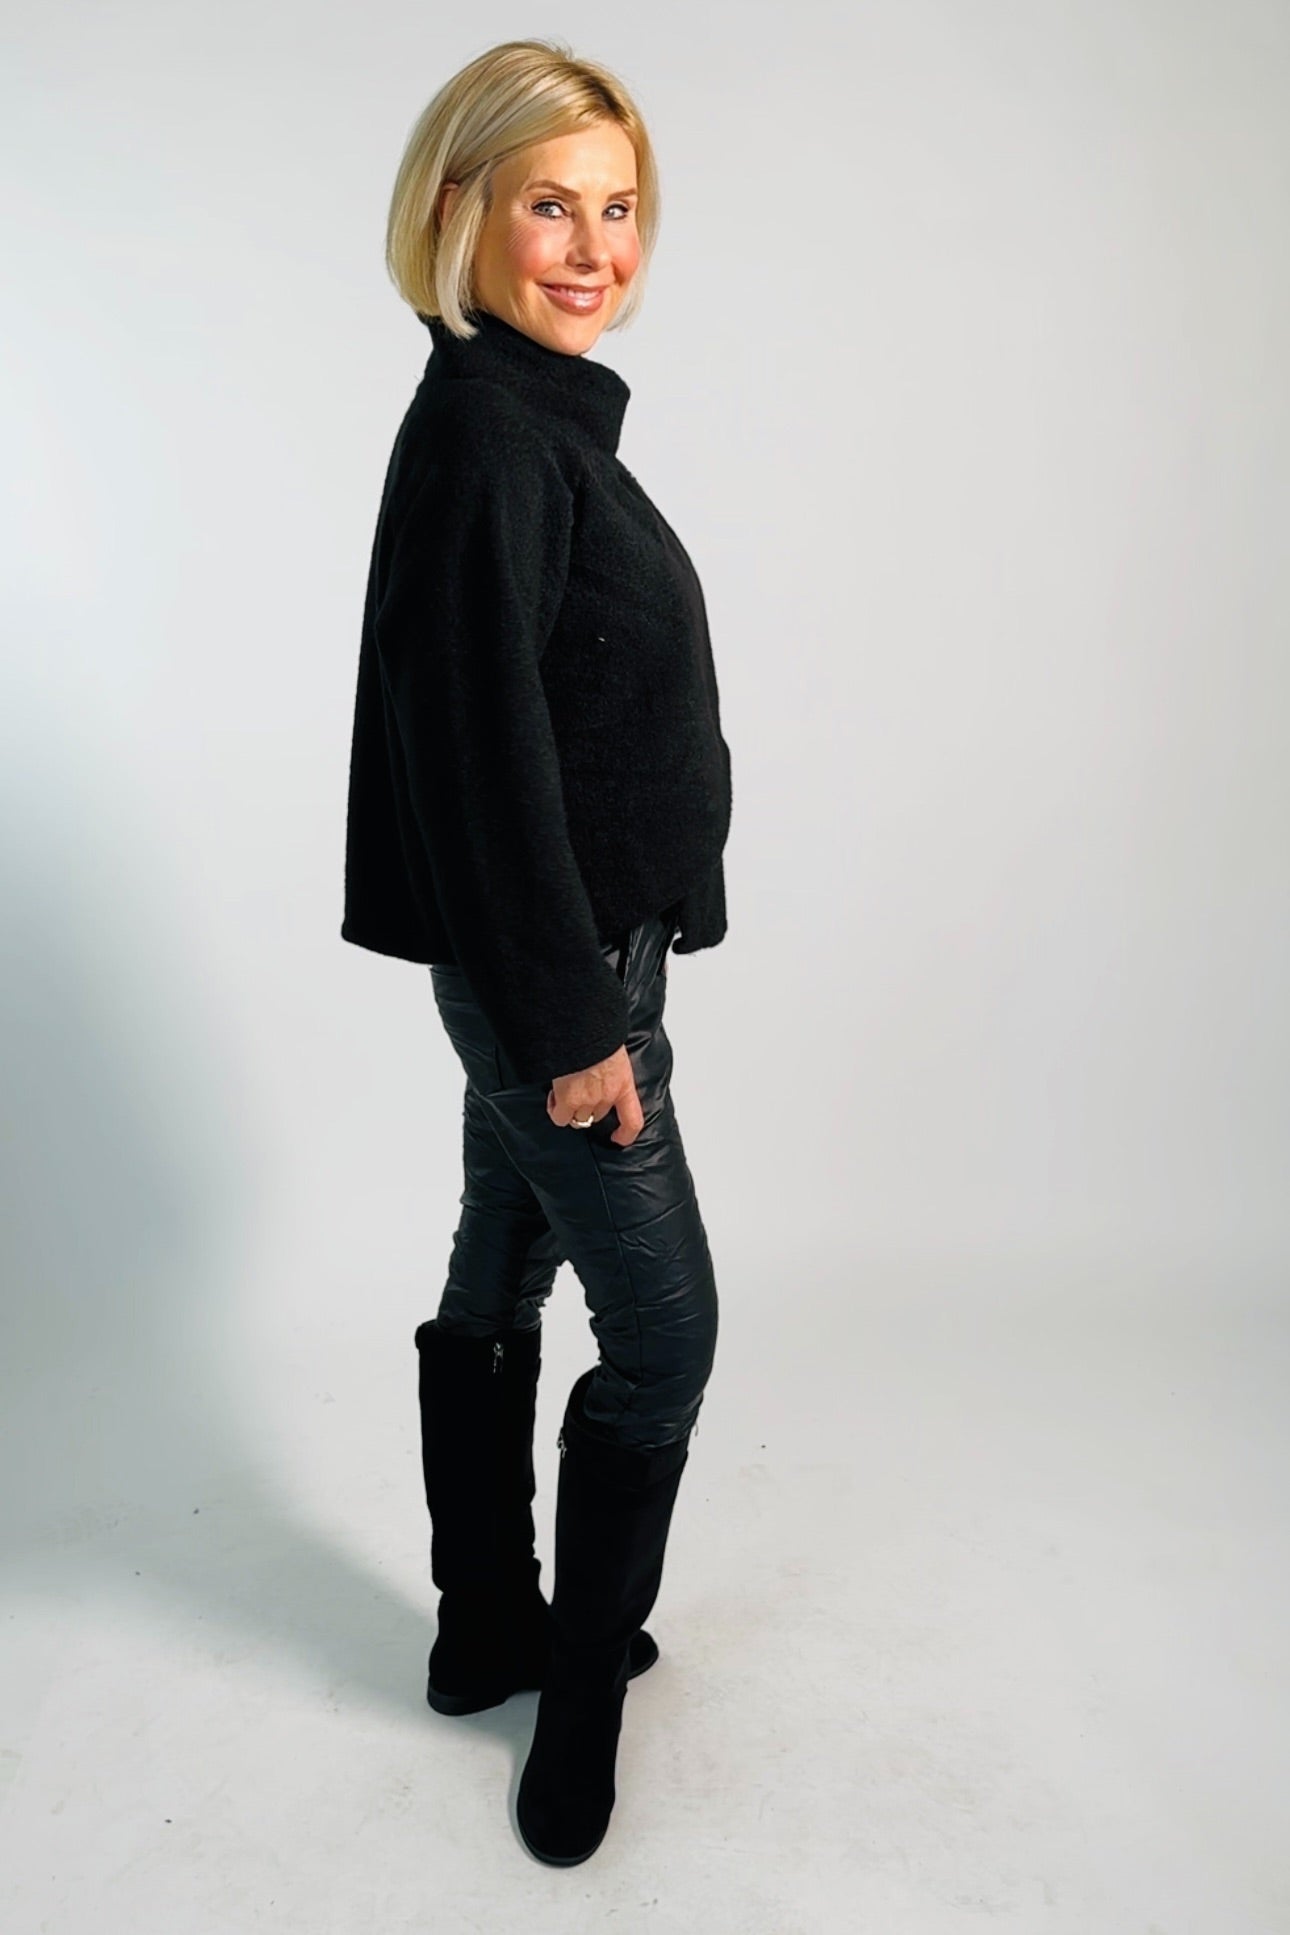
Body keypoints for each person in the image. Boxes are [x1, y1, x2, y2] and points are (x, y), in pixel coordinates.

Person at [340, 38, 733, 1867]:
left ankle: (481, 1625)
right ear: (459, 212)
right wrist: (578, 1027)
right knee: (662, 1338)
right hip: (555, 977)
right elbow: (479, 763)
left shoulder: (524, 416)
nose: (592, 249)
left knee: (500, 1269)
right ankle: (574, 1705)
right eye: (549, 206)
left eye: (618, 208)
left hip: (574, 958)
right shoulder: (493, 437)